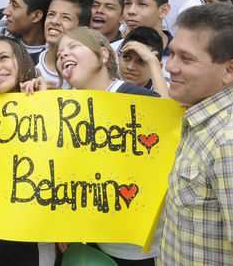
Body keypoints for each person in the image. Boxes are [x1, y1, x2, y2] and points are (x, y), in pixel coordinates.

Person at [159, 3, 233, 265]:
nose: (170, 67)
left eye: (186, 59)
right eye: (173, 54)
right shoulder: (208, 104)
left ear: (230, 70)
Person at [54, 27, 159, 265]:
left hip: (142, 249)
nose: (63, 55)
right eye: (59, 53)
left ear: (103, 55)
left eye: (73, 47)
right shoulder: (62, 110)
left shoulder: (138, 99)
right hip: (93, 246)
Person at [0, 36, 56, 266]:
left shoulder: (52, 103)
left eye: (3, 58)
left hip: (34, 239)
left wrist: (45, 105)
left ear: (24, 63)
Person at [116, 0, 172, 76]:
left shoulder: (179, 58)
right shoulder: (111, 52)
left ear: (163, 11)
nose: (131, 11)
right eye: (128, 3)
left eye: (142, 4)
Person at [36, 0, 90, 89]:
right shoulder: (28, 67)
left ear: (83, 31)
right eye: (51, 14)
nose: (54, 21)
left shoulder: (92, 73)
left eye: (66, 17)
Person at [0, 0, 55, 64]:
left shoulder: (59, 54)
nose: (5, 12)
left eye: (15, 5)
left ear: (36, 16)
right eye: (10, 3)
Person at [118, 27, 169, 98]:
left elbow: (165, 107)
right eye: (126, 57)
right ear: (119, 56)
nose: (130, 67)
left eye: (141, 60)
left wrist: (152, 61)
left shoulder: (168, 91)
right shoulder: (110, 86)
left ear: (158, 67)